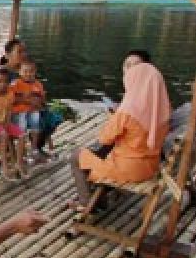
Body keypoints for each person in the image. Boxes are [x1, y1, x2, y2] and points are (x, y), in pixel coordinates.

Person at [70, 62, 172, 206]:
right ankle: (99, 198)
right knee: (101, 156)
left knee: (77, 156)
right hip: (150, 168)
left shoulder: (128, 110)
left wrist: (115, 116)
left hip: (126, 170)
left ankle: (86, 203)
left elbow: (105, 139)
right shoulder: (163, 110)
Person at [8, 59, 46, 156]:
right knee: (22, 121)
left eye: (31, 71)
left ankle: (34, 148)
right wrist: (28, 100)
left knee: (36, 118)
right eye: (25, 71)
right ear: (19, 72)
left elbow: (42, 99)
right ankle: (22, 150)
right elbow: (10, 99)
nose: (28, 74)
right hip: (18, 113)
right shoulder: (15, 84)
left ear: (35, 72)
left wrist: (39, 103)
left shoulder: (38, 84)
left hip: (32, 111)